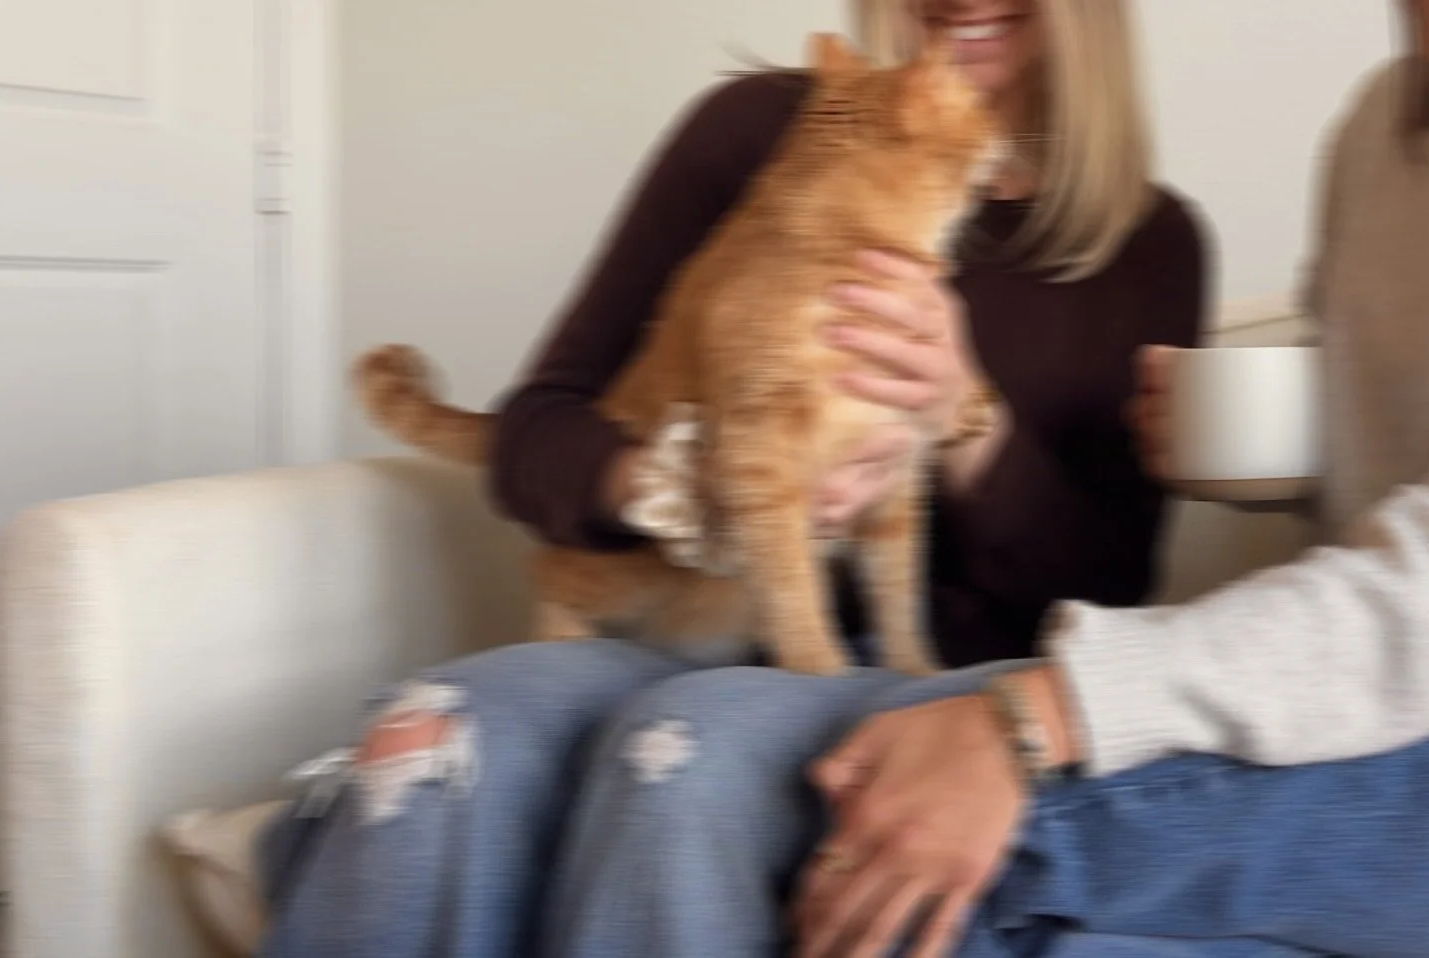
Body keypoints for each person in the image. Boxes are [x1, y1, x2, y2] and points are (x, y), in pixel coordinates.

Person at [520, 1, 1429, 956]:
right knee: (698, 762)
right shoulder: (1397, 124)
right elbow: (1423, 465)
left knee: (747, 783)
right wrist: (1257, 447)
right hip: (1399, 671)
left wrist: (1027, 721)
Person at [257, 0, 1205, 954]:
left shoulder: (1151, 242)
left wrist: (965, 421)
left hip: (940, 672)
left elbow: (1111, 588)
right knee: (424, 735)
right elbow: (537, 436)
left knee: (679, 753)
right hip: (684, 608)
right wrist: (681, 488)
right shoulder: (762, 126)